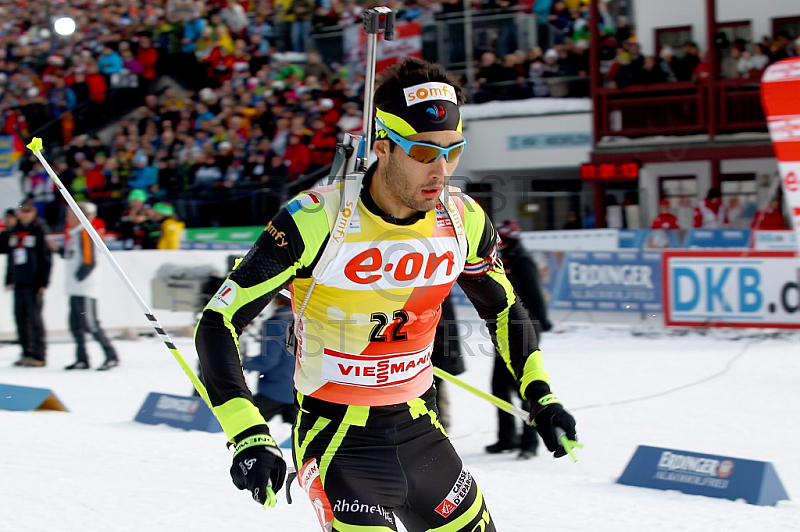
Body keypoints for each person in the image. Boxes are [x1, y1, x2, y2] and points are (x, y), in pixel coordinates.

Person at [195, 57, 577, 531]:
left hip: (422, 432)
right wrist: (247, 433)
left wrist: (540, 395)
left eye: (452, 150)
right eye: (422, 152)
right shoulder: (317, 220)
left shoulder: (462, 219)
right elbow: (218, 322)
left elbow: (505, 311)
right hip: (338, 442)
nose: (440, 170)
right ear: (383, 146)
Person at [486, 220, 553, 460]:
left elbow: (535, 293)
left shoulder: (522, 262)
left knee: (524, 388)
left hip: (525, 328)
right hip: (504, 328)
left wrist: (541, 322)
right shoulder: (501, 261)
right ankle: (507, 438)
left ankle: (529, 442)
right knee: (498, 388)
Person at [62, 203, 119, 370]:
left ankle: (111, 356)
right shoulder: (75, 235)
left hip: (85, 289)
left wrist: (79, 278)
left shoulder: (85, 233)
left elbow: (89, 261)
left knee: (91, 323)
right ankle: (82, 358)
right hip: (75, 288)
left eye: (70, 214)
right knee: (75, 325)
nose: (67, 218)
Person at [6, 200, 51, 367]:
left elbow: (46, 259)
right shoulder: (15, 231)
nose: (24, 214)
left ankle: (39, 354)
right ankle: (27, 352)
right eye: (21, 211)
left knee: (35, 319)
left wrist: (44, 281)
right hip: (19, 281)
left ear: (33, 212)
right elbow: (11, 257)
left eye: (27, 211)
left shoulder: (39, 229)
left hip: (34, 283)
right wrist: (9, 278)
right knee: (20, 317)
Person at [241, 293, 297, 423]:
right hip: (297, 390)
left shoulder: (275, 324)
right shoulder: (304, 322)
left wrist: (244, 363)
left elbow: (268, 361)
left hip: (275, 390)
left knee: (246, 423)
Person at [430, 294, 464, 432]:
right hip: (427, 344)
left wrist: (451, 349)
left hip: (439, 345)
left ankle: (442, 420)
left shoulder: (441, 290)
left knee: (437, 385)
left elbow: (449, 319)